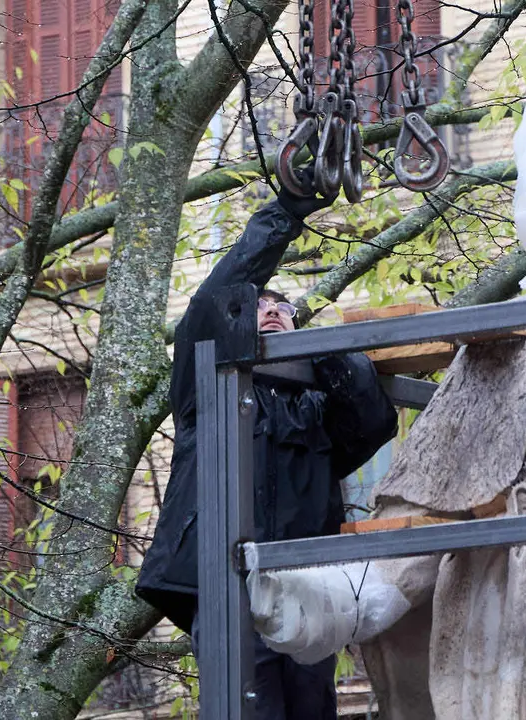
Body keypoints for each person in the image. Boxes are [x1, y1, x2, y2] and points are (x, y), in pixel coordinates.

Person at [136, 176, 399, 720]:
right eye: (259, 308)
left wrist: (320, 348)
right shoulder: (206, 390)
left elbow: (372, 418)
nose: (273, 311)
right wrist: (285, 212)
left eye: (284, 310)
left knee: (311, 708)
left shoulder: (316, 410)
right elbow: (211, 304)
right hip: (230, 583)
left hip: (308, 588)